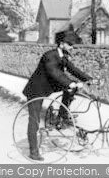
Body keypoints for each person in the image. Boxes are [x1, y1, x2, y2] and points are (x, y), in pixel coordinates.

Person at [22, 31, 92, 161]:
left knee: (72, 88)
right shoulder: (49, 56)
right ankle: (33, 151)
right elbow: (55, 73)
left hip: (49, 87)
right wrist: (70, 83)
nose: (72, 47)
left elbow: (73, 70)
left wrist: (89, 79)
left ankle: (62, 115)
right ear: (61, 44)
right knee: (34, 120)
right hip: (36, 90)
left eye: (73, 45)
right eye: (70, 44)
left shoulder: (63, 56)